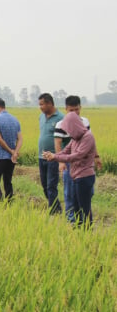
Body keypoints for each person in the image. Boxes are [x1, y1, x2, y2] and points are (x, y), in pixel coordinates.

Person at [43, 112, 97, 228]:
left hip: (85, 177)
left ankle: (87, 232)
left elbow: (77, 155)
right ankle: (78, 230)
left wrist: (56, 157)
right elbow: (65, 151)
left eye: (69, 129)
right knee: (76, 206)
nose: (68, 132)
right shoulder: (75, 139)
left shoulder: (87, 137)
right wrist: (51, 155)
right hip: (76, 176)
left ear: (75, 125)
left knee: (84, 207)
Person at [54, 95, 102, 223]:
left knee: (84, 199)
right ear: (66, 109)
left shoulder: (85, 130)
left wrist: (96, 156)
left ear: (80, 108)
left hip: (82, 167)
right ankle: (74, 222)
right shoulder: (64, 126)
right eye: (71, 110)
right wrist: (60, 160)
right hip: (70, 164)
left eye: (77, 110)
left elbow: (79, 154)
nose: (74, 113)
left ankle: (85, 228)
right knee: (71, 196)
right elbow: (60, 145)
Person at [37, 93, 65, 214]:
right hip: (41, 156)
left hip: (54, 157)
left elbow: (65, 139)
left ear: (49, 103)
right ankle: (57, 208)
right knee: (44, 185)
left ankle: (53, 211)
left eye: (42, 104)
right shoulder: (41, 117)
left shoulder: (61, 118)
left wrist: (61, 158)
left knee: (51, 186)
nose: (40, 107)